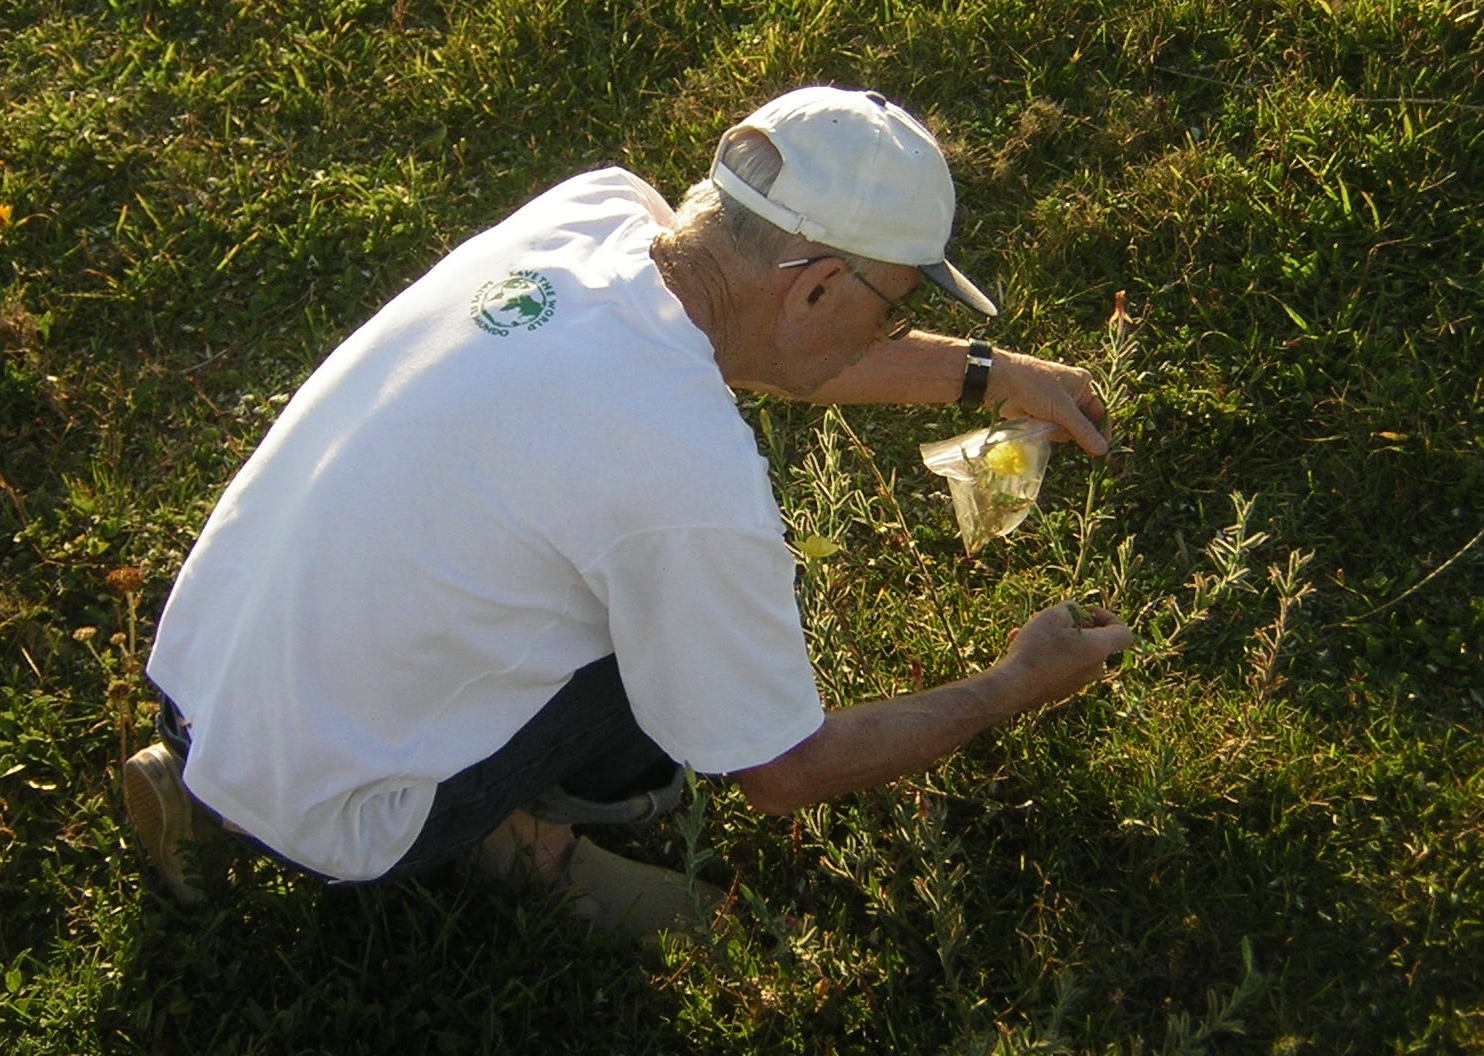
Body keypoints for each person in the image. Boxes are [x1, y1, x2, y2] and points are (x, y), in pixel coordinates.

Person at [124, 86, 1134, 935]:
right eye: (897, 308)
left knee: (558, 559)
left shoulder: (592, 215)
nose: (896, 329)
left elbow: (768, 349)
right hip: (339, 815)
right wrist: (1012, 685)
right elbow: (782, 768)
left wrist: (985, 376)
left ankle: (206, 777)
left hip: (200, 666)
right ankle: (537, 841)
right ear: (820, 285)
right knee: (669, 652)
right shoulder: (686, 478)